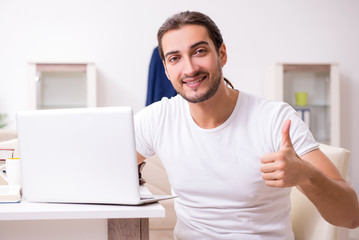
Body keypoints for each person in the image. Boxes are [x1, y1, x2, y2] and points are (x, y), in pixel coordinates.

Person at [135, 11, 359, 239]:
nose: (190, 68)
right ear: (166, 69)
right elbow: (106, 170)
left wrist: (306, 175)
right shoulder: (158, 118)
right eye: (175, 58)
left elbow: (351, 216)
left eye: (199, 51)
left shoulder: (274, 119)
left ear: (221, 54)